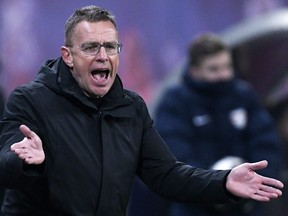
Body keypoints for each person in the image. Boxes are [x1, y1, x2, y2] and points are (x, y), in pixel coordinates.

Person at [0, 6, 283, 216]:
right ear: (68, 56)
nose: (102, 56)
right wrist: (25, 162)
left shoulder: (131, 108)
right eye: (90, 47)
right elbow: (5, 165)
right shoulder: (29, 100)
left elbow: (166, 175)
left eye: (110, 46)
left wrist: (223, 181)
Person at [152, 33, 283, 216]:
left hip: (247, 206)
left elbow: (266, 143)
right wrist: (216, 185)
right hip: (194, 207)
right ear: (194, 71)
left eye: (227, 67)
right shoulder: (175, 102)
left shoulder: (244, 96)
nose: (223, 75)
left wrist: (259, 184)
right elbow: (173, 158)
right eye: (213, 69)